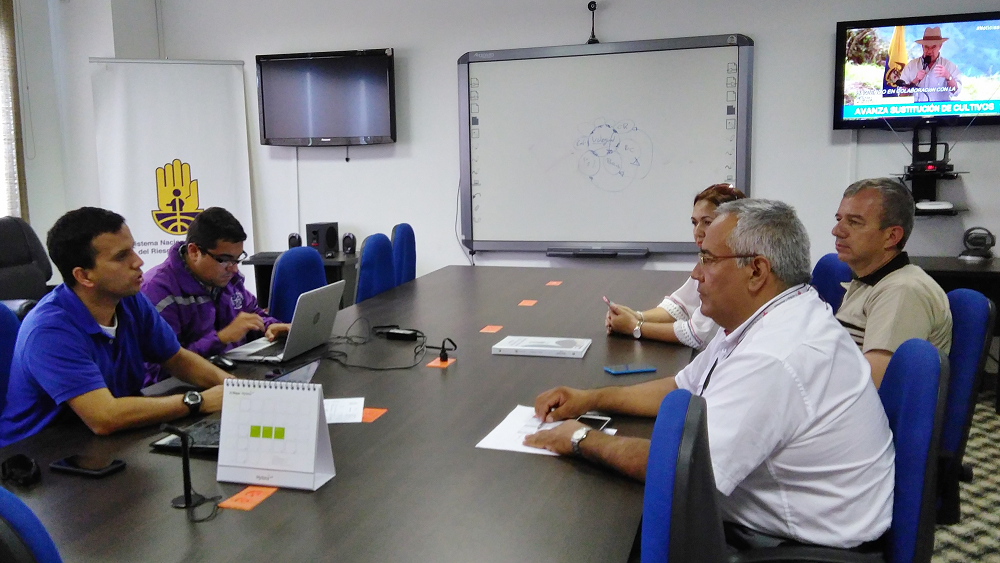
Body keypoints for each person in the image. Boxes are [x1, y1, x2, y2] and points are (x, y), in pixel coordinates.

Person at [526, 199, 893, 551]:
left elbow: (685, 469)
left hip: (804, 544)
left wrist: (580, 440)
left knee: (596, 534)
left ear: (756, 271)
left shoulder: (777, 355)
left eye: (708, 259)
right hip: (789, 516)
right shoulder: (768, 314)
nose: (696, 273)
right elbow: (682, 387)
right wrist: (590, 399)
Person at [0, 208, 230, 447]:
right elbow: (104, 417)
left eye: (133, 248)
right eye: (121, 256)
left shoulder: (130, 300)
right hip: (37, 458)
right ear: (84, 276)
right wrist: (197, 401)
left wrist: (233, 388)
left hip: (98, 442)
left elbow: (177, 359)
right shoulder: (49, 331)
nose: (138, 261)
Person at [141, 207, 289, 385]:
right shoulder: (157, 291)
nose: (234, 268)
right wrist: (221, 339)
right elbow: (162, 369)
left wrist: (270, 326)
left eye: (237, 259)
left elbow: (252, 312)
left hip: (231, 376)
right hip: (184, 391)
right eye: (225, 259)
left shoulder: (225, 278)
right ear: (194, 251)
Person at [832, 177, 951, 387]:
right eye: (839, 219)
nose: (837, 231)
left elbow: (872, 385)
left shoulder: (902, 291)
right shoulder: (868, 280)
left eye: (854, 222)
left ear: (891, 236)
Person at [606, 184, 746, 349]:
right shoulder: (708, 258)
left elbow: (696, 335)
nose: (698, 231)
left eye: (707, 222)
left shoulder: (730, 266)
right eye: (694, 223)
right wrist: (636, 316)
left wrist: (634, 327)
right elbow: (681, 306)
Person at [898, 26, 961, 102]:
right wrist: (915, 80)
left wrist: (948, 76)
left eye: (933, 47)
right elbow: (901, 95)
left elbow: (956, 92)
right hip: (916, 112)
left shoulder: (949, 66)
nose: (929, 51)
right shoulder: (911, 66)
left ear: (940, 46)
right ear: (922, 46)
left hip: (940, 112)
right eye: (926, 47)